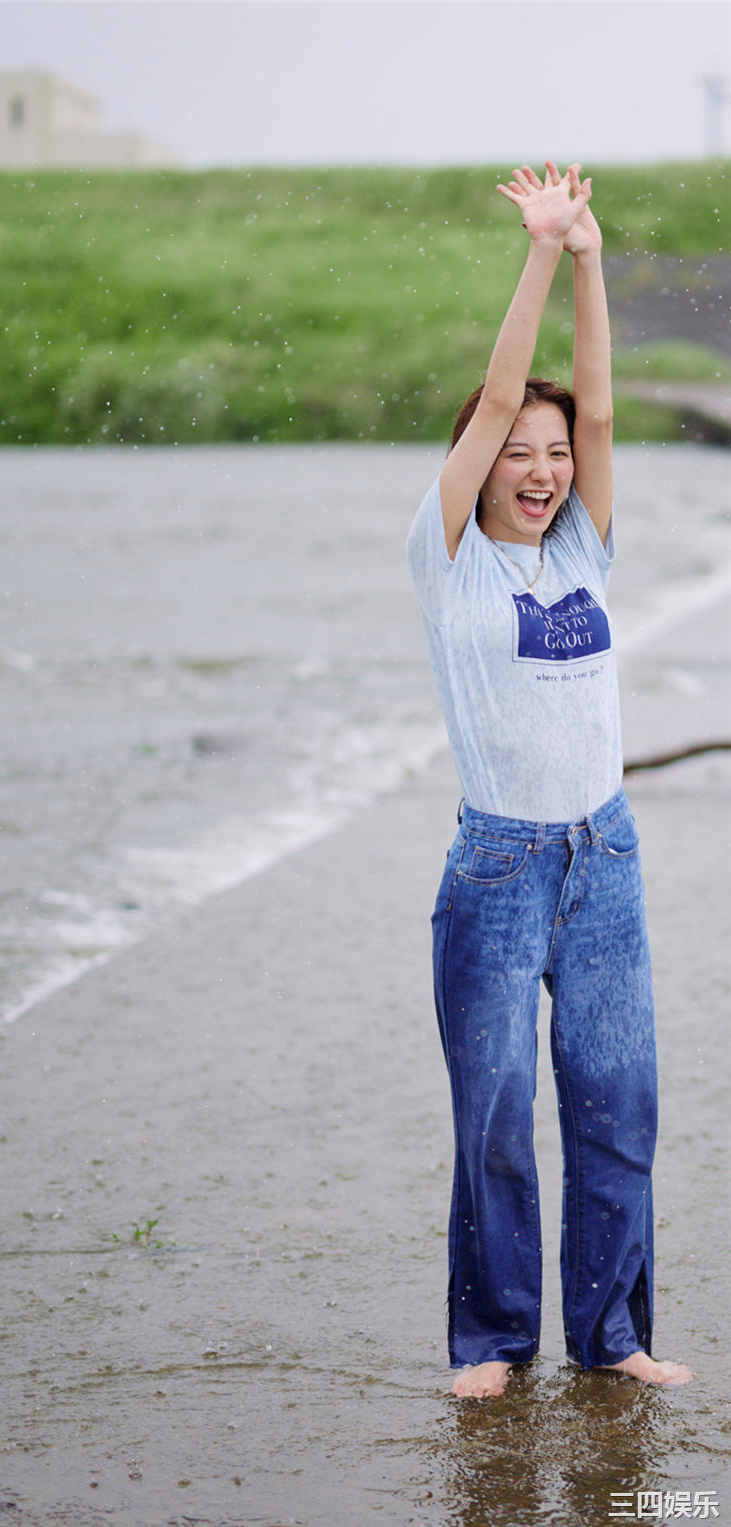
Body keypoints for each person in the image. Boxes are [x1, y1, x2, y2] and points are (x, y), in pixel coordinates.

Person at [406, 162, 693, 1399]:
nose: (542, 467)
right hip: (500, 865)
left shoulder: (586, 547)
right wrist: (535, 251)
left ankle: (614, 1334)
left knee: (618, 1103)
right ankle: (492, 1343)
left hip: (605, 858)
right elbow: (499, 405)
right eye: (518, 450)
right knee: (497, 1113)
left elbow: (606, 419)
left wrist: (591, 259)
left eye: (553, 452)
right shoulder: (451, 556)